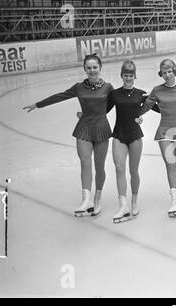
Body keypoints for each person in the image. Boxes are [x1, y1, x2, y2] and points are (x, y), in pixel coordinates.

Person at [23, 53, 113, 217]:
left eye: (95, 67)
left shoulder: (108, 87)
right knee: (85, 163)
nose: (92, 70)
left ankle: (97, 199)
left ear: (100, 68)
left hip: (101, 129)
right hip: (84, 128)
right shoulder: (78, 87)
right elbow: (60, 96)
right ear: (84, 69)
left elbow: (116, 104)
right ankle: (86, 199)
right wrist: (38, 104)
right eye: (89, 67)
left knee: (99, 167)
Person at [140, 59, 176, 218]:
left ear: (175, 71)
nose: (167, 75)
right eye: (164, 73)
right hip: (164, 130)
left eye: (169, 72)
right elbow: (146, 106)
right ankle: (174, 201)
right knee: (170, 164)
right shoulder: (157, 90)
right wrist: (134, 114)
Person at [105, 60, 159, 223]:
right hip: (118, 135)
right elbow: (102, 110)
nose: (128, 78)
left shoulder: (141, 94)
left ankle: (134, 200)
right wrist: (86, 114)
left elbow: (159, 108)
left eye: (131, 75)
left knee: (133, 170)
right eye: (125, 75)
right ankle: (123, 205)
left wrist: (159, 98)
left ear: (135, 76)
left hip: (135, 136)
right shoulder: (115, 94)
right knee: (119, 168)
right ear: (122, 76)